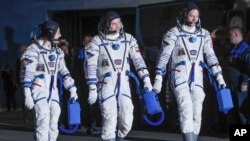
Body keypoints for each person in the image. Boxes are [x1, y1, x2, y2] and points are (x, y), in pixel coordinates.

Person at [152, 2, 226, 141]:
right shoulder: (173, 33)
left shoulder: (203, 34)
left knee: (197, 110)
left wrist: (219, 77)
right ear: (185, 15)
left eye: (196, 16)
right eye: (191, 16)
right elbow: (164, 56)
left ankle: (193, 138)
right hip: (179, 73)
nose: (194, 19)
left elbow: (211, 56)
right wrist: (158, 79)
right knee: (186, 107)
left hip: (197, 76)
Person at [84, 10, 152, 141]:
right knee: (109, 117)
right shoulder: (96, 42)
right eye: (113, 24)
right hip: (105, 83)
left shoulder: (129, 39)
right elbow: (90, 65)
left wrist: (146, 79)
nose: (116, 26)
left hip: (124, 83)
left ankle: (120, 137)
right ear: (106, 25)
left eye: (118, 23)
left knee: (127, 119)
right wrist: (92, 87)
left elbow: (138, 60)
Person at [20, 21, 78, 141]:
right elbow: (28, 73)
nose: (60, 35)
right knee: (43, 121)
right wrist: (27, 94)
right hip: (39, 90)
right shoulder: (33, 50)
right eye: (58, 32)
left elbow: (64, 71)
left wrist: (72, 88)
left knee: (54, 123)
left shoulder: (57, 52)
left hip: (53, 92)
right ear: (50, 33)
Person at [227, 26, 250, 125]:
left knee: (242, 111)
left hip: (241, 85)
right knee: (235, 110)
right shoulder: (235, 48)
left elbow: (247, 66)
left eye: (230, 35)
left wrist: (245, 82)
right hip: (233, 85)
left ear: (236, 34)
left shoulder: (245, 48)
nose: (229, 37)